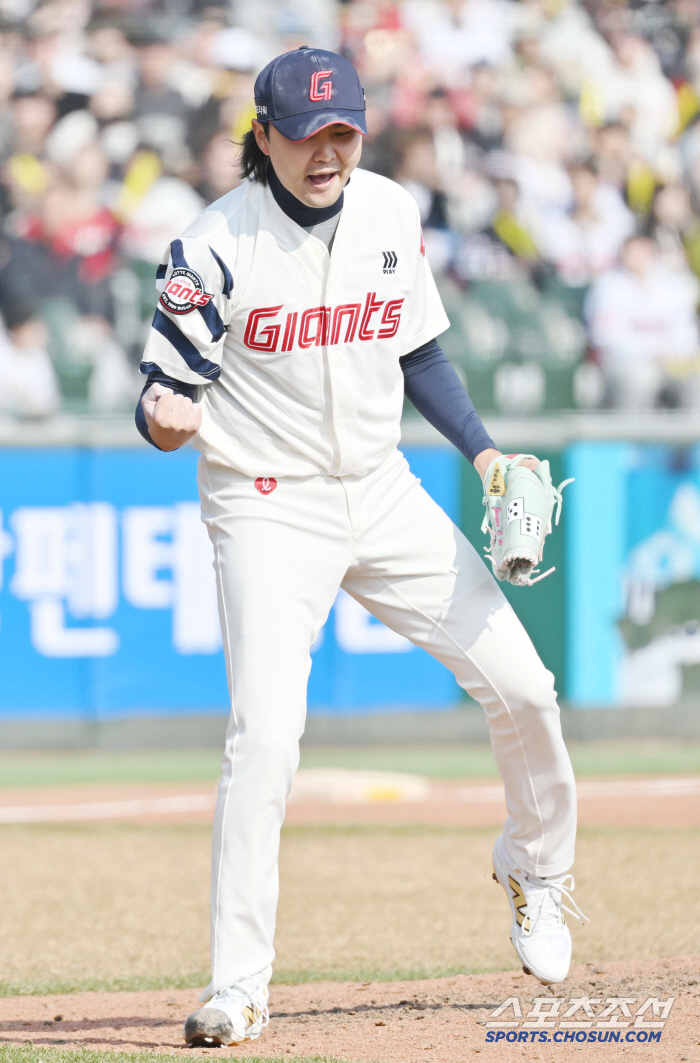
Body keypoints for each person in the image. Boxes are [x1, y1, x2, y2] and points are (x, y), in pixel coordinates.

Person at [135, 47, 584, 1049]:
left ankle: (536, 870)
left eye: (342, 130)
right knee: (265, 740)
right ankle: (237, 987)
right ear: (264, 138)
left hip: (382, 492)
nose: (328, 151)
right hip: (265, 503)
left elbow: (418, 350)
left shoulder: (387, 210)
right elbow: (165, 395)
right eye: (306, 133)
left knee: (524, 686)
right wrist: (166, 418)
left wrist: (482, 449)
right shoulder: (212, 247)